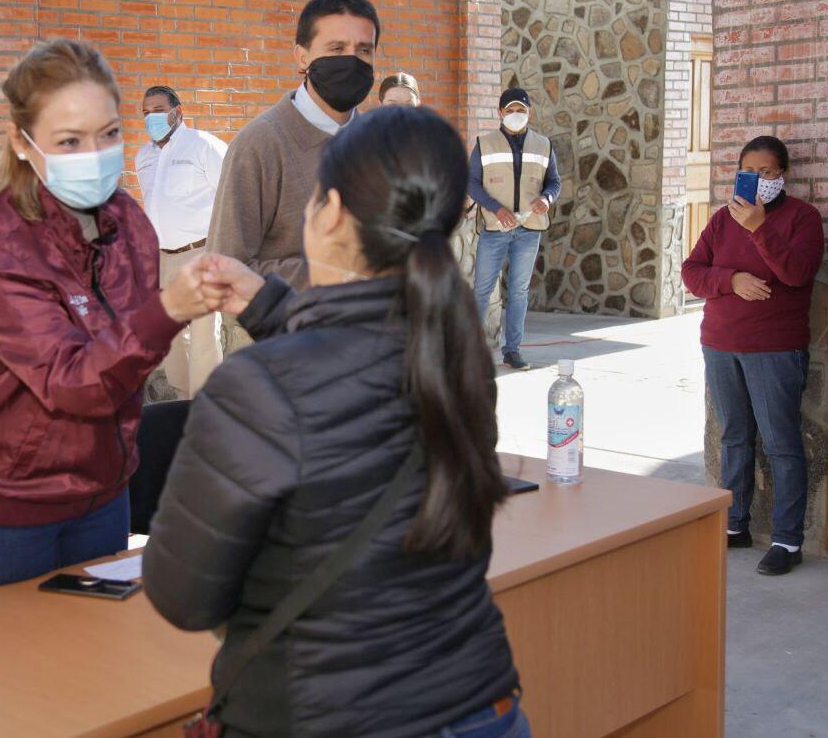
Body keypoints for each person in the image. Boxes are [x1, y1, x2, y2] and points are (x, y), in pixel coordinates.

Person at [145, 106, 526, 737]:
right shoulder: (456, 352)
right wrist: (272, 306)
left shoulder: (257, 388)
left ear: (329, 212)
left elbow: (183, 596)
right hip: (481, 704)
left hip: (325, 715)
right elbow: (357, 364)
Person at [0, 40, 212, 597]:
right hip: (7, 513)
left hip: (105, 496)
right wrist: (171, 309)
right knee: (5, 682)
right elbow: (73, 382)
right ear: (22, 141)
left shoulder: (128, 222)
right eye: (69, 140)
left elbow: (126, 363)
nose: (95, 153)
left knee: (96, 673)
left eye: (109, 133)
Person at [682, 136, 824, 576]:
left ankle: (787, 540)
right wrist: (732, 280)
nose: (759, 180)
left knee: (782, 444)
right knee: (734, 438)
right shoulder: (723, 219)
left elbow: (797, 274)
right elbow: (692, 271)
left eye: (767, 172)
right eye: (750, 171)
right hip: (721, 343)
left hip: (773, 349)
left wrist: (760, 228)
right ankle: (734, 526)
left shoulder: (804, 218)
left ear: (782, 176)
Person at [207, 0, 380, 292]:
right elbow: (225, 269)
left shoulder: (380, 142)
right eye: (337, 48)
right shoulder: (258, 146)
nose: (351, 60)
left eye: (363, 50)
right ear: (302, 56)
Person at [135, 85, 227, 398]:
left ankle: (207, 407)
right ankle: (182, 405)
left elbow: (231, 194)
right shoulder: (144, 156)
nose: (152, 118)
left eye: (158, 110)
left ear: (178, 112)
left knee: (203, 335)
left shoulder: (201, 145)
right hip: (162, 258)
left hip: (200, 252)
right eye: (146, 113)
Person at [468, 87, 562, 371]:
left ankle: (513, 351)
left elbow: (554, 182)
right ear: (500, 113)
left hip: (528, 228)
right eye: (510, 110)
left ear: (529, 112)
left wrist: (547, 199)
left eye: (521, 110)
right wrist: (496, 208)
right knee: (482, 289)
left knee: (519, 291)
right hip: (495, 228)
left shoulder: (543, 145)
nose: (516, 115)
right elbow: (471, 182)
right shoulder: (484, 144)